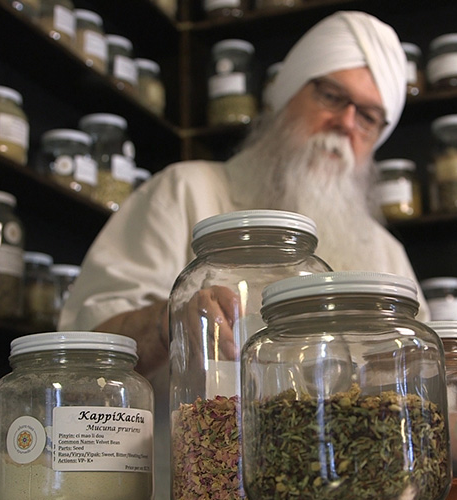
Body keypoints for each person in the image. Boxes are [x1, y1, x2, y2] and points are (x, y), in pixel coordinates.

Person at [58, 10, 429, 499]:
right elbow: (77, 360)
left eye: (368, 116)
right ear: (285, 93)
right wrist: (169, 323)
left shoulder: (384, 252)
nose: (344, 123)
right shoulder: (184, 192)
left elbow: (424, 388)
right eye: (331, 95)